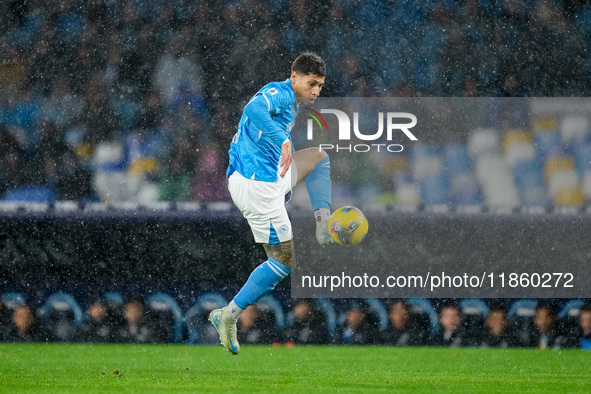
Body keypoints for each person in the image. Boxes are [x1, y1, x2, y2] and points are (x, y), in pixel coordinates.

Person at [209, 52, 332, 355]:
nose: (316, 91)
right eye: (312, 83)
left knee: (319, 157)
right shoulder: (279, 92)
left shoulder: (293, 102)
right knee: (283, 261)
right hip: (256, 185)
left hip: (273, 174)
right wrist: (284, 139)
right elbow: (253, 108)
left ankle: (323, 221)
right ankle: (228, 315)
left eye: (320, 86)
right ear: (295, 78)